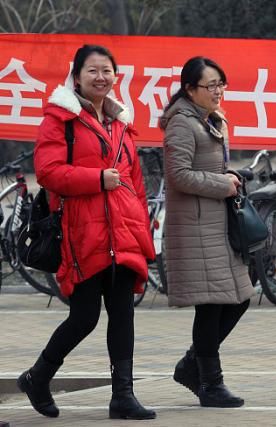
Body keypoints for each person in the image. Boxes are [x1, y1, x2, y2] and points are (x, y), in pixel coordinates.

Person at [17, 44, 156, 420]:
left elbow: (135, 183)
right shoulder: (60, 119)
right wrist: (96, 179)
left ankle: (122, 396)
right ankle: (38, 376)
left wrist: (142, 226)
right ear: (76, 77)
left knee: (123, 312)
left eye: (107, 70)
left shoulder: (121, 123)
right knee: (85, 317)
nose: (101, 77)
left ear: (116, 76)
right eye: (92, 71)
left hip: (123, 231)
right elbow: (47, 171)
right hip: (82, 232)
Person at [160, 56, 255, 408]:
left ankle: (191, 365)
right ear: (189, 89)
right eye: (210, 85)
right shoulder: (182, 124)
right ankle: (210, 384)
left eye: (221, 84)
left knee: (240, 298)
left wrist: (231, 177)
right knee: (211, 307)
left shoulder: (208, 120)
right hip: (196, 228)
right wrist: (222, 184)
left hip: (215, 226)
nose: (217, 91)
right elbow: (178, 176)